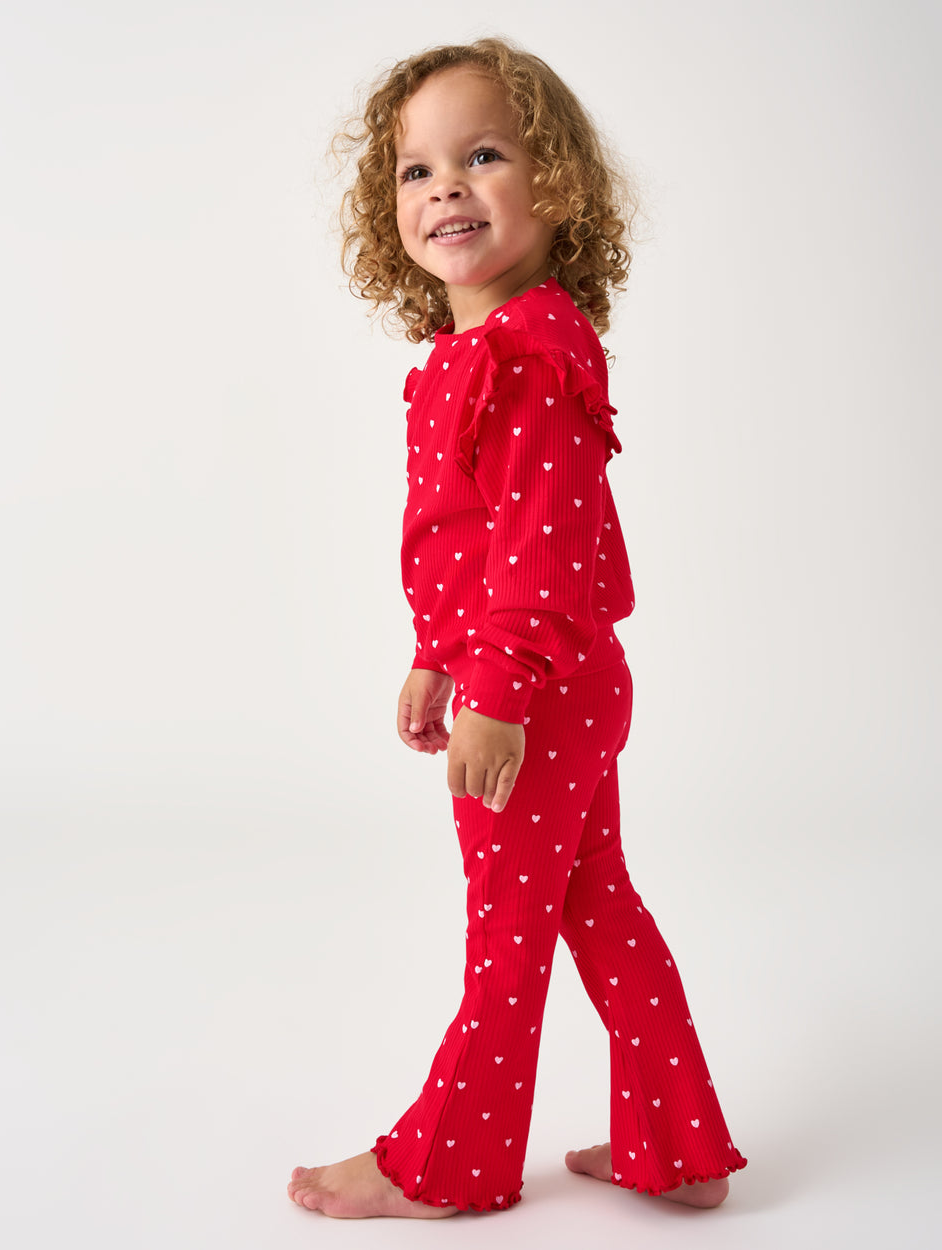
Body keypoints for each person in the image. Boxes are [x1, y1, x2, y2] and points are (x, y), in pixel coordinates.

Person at [288, 36, 747, 1219]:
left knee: (505, 933)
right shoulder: (482, 351)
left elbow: (541, 554)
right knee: (598, 903)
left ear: (554, 188)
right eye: (414, 169)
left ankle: (451, 1161)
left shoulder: (529, 356)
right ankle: (682, 1147)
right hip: (550, 673)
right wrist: (436, 653)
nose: (443, 185)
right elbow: (477, 536)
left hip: (537, 686)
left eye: (481, 155)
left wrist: (494, 690)